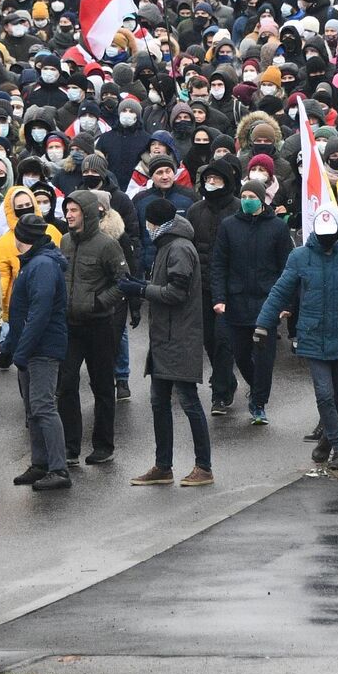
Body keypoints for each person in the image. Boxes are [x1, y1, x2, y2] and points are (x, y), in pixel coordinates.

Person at [256, 210, 338, 471]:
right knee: (324, 394)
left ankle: (326, 441)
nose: (326, 240)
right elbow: (281, 290)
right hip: (313, 335)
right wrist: (263, 324)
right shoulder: (300, 257)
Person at [122, 198, 213, 487]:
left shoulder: (180, 248)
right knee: (158, 402)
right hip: (164, 338)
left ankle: (204, 467)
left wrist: (142, 289)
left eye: (148, 223)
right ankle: (163, 466)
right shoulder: (167, 246)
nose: (147, 228)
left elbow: (177, 293)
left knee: (189, 401)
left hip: (180, 338)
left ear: (156, 223)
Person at [208, 181, 292, 424]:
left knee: (264, 358)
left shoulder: (277, 228)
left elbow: (287, 268)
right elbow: (219, 264)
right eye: (243, 195)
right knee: (242, 354)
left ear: (261, 199)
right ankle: (256, 387)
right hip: (236, 302)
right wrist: (219, 298)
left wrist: (287, 304)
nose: (246, 200)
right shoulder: (229, 226)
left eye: (251, 196)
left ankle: (258, 403)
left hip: (267, 302)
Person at [58, 190, 127, 466]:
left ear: (86, 213)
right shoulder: (64, 242)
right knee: (66, 385)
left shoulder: (107, 245)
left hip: (99, 325)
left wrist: (99, 303)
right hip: (70, 326)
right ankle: (70, 446)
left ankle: (103, 445)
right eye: (67, 210)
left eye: (74, 210)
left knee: (102, 386)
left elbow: (123, 282)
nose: (69, 215)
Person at [4, 213, 72, 491]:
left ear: (22, 238)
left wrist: (21, 351)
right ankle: (40, 463)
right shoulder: (35, 262)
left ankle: (59, 469)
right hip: (32, 347)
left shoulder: (42, 265)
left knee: (43, 407)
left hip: (41, 348)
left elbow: (39, 313)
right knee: (33, 410)